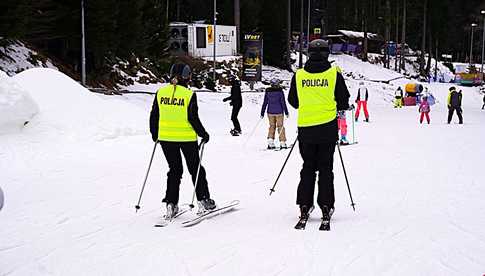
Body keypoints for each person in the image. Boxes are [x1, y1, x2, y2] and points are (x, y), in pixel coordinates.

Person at [288, 39, 350, 221]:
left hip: (306, 129)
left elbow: (293, 101)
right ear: (327, 53)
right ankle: (326, 204)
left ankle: (304, 205)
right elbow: (343, 100)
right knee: (325, 168)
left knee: (308, 167)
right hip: (327, 129)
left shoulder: (299, 75)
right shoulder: (333, 74)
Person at [149, 63, 216, 218]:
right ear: (186, 76)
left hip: (166, 138)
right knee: (196, 168)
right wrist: (203, 134)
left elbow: (154, 116)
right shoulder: (188, 94)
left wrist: (155, 134)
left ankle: (171, 204)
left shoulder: (160, 93)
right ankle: (204, 200)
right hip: (186, 138)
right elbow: (192, 117)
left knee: (175, 170)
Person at [261, 78, 289, 149]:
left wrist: (262, 112)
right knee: (280, 126)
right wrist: (286, 112)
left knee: (272, 126)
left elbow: (265, 102)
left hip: (270, 112)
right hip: (279, 112)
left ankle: (270, 142)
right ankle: (282, 142)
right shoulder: (280, 91)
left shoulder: (268, 91)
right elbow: (283, 102)